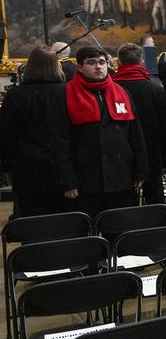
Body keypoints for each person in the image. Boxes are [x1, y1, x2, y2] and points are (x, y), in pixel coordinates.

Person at [52, 46, 147, 219]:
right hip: (86, 181)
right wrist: (67, 180)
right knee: (89, 238)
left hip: (121, 178)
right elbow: (60, 142)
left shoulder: (122, 92)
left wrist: (140, 171)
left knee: (121, 232)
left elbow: (135, 136)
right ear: (80, 67)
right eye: (92, 63)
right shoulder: (65, 94)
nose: (98, 67)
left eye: (102, 62)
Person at [0, 48, 67, 217]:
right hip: (62, 162)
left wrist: (7, 165)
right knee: (62, 215)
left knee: (31, 214)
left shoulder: (15, 95)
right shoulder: (66, 91)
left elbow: (7, 133)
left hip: (26, 163)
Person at [113, 43, 166, 205]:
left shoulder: (113, 88)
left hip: (122, 156)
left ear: (119, 63)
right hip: (152, 153)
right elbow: (164, 127)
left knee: (125, 204)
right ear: (142, 62)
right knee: (155, 203)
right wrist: (164, 159)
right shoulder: (155, 88)